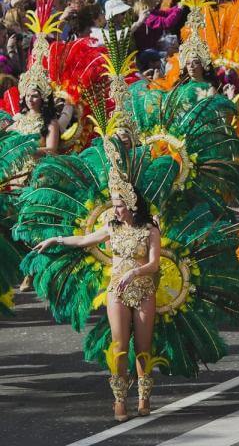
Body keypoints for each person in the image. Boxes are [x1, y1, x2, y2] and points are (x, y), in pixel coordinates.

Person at [34, 153, 161, 422]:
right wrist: (56, 239)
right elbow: (83, 240)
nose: (115, 210)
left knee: (143, 347)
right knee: (118, 345)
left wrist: (136, 272)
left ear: (132, 204)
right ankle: (119, 399)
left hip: (143, 291)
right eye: (114, 205)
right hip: (117, 291)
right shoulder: (111, 228)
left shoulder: (150, 230)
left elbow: (154, 264)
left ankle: (144, 396)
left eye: (120, 205)